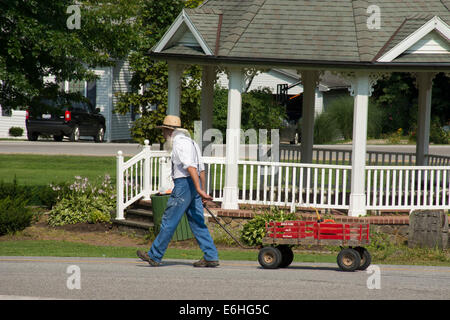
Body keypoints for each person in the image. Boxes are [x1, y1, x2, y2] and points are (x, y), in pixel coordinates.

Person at [137, 115, 219, 267]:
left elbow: (190, 167)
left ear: (169, 131)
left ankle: (154, 255)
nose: (163, 135)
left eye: (163, 131)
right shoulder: (192, 143)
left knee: (170, 220)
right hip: (192, 186)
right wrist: (201, 189)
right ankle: (211, 255)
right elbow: (201, 168)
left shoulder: (179, 144)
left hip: (184, 185)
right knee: (197, 221)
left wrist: (200, 190)